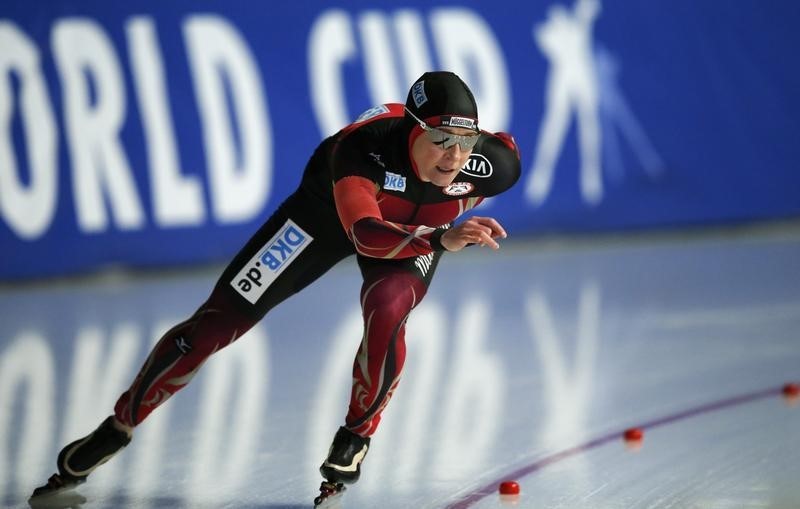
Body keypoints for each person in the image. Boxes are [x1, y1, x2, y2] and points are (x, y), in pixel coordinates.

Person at [31, 71, 521, 503]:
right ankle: (119, 424)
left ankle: (356, 435)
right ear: (412, 129)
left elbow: (504, 148)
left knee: (390, 306)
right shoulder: (362, 151)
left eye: (464, 143)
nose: (453, 156)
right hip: (324, 221)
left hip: (419, 235)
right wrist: (439, 237)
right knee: (212, 328)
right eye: (439, 139)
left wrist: (439, 231)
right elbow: (366, 237)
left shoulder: (491, 163)